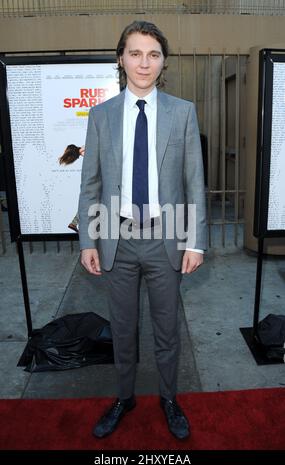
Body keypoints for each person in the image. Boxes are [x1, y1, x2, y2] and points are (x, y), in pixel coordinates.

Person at [78, 20, 206, 440]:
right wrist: (88, 241)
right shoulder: (100, 116)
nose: (143, 62)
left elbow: (194, 183)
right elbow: (91, 183)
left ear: (163, 61)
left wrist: (195, 242)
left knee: (167, 329)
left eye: (152, 54)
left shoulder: (182, 112)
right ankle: (124, 397)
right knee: (123, 327)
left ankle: (169, 398)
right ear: (121, 58)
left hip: (166, 239)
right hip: (117, 240)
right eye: (135, 53)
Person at [59, 144, 85, 232]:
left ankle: (74, 223)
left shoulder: (85, 150)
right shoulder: (84, 151)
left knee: (86, 203)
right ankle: (74, 223)